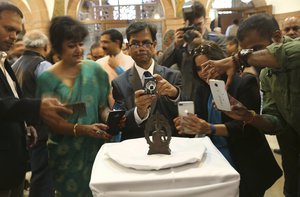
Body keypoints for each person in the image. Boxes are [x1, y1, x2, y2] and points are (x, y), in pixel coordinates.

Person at [202, 14, 300, 197]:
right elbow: (276, 123)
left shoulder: (295, 49)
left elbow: (284, 55)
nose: (252, 58)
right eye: (246, 51)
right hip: (292, 150)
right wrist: (250, 117)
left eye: (256, 50)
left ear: (277, 37)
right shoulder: (266, 75)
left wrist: (238, 59)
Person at [173, 41, 281, 197]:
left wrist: (210, 128)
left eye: (207, 66)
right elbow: (202, 123)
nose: (203, 72)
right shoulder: (202, 89)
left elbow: (248, 127)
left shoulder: (244, 82)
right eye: (198, 68)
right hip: (215, 162)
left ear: (220, 62)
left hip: (245, 160)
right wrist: (191, 124)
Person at [0, 3, 71, 196]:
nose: (14, 36)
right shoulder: (42, 65)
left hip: (16, 150)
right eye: (8, 29)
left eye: (17, 31)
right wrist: (39, 107)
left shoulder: (6, 60)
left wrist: (25, 124)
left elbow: (12, 96)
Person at [36, 16, 112, 196]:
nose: (79, 50)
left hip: (95, 148)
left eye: (80, 44)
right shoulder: (47, 79)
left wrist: (112, 119)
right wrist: (83, 129)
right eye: (71, 46)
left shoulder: (94, 70)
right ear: (57, 48)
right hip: (64, 155)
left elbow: (102, 108)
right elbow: (52, 122)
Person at [111, 21, 182, 141]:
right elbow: (121, 123)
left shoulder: (173, 76)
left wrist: (174, 94)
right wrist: (139, 112)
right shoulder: (119, 83)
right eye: (135, 44)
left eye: (146, 43)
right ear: (128, 47)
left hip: (170, 143)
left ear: (154, 45)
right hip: (137, 145)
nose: (141, 48)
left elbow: (186, 109)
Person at [11, 30, 54, 196]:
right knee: (43, 175)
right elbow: (53, 96)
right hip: (41, 128)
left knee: (36, 172)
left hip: (23, 127)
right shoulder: (42, 65)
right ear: (45, 47)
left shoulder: (14, 65)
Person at [158, 1, 225, 100]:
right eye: (191, 26)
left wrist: (203, 43)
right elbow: (160, 65)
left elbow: (224, 64)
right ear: (185, 25)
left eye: (198, 25)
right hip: (189, 97)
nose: (195, 30)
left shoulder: (218, 40)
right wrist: (175, 45)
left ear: (205, 20)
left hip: (214, 95)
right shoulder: (182, 45)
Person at [97, 28, 134, 108]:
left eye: (106, 42)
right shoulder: (99, 63)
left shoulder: (132, 62)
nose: (102, 46)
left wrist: (118, 68)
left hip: (130, 109)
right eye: (101, 42)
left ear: (117, 42)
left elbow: (132, 85)